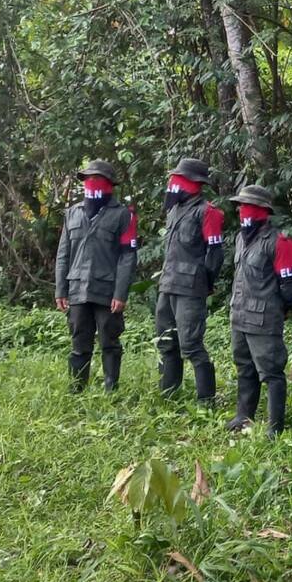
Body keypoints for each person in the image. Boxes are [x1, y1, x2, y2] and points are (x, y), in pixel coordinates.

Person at [54, 159, 138, 392]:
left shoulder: (123, 216)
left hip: (107, 290)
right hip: (77, 289)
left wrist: (120, 294)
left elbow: (127, 257)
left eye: (97, 180)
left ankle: (111, 389)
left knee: (110, 341)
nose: (92, 184)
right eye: (88, 180)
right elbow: (63, 254)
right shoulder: (72, 213)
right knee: (79, 342)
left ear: (110, 184)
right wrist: (60, 289)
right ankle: (76, 389)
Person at [225, 184, 292, 437]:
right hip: (240, 314)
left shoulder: (279, 242)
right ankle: (243, 416)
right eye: (240, 207)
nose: (241, 211)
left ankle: (275, 426)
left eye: (247, 207)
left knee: (271, 372)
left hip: (264, 318)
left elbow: (289, 286)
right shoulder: (240, 238)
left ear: (261, 211)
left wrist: (280, 310)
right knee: (244, 367)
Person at [155, 157, 224, 402]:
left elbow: (214, 254)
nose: (174, 183)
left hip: (190, 288)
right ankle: (168, 394)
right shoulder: (174, 210)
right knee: (165, 341)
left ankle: (206, 400)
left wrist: (204, 283)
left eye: (180, 179)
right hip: (168, 284)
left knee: (191, 344)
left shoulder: (208, 212)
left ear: (194, 183)